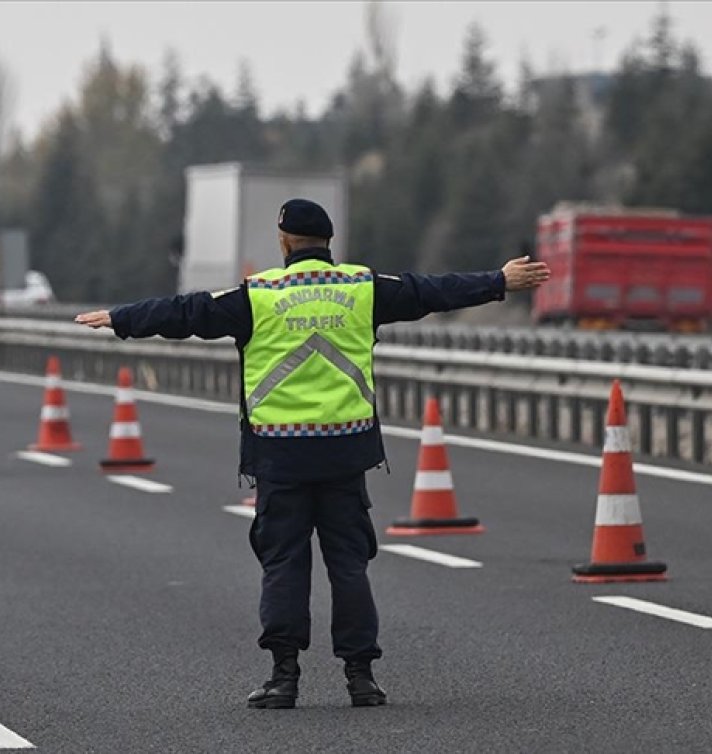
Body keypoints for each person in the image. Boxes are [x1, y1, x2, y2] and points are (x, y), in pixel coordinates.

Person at [74, 199, 550, 709]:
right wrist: (497, 281)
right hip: (345, 452)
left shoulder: (258, 296)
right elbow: (429, 290)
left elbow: (186, 312)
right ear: (329, 243)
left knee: (284, 563)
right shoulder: (362, 288)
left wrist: (122, 318)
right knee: (349, 564)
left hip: (280, 456)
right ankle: (361, 678)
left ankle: (283, 678)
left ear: (284, 241)